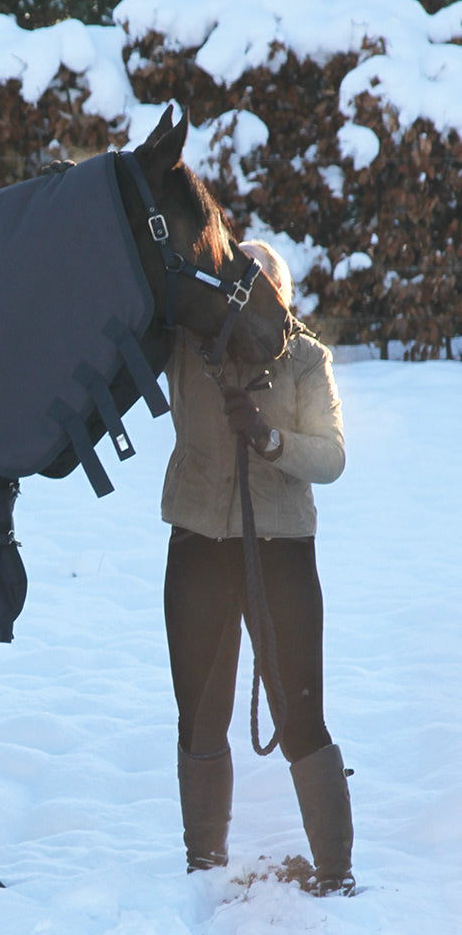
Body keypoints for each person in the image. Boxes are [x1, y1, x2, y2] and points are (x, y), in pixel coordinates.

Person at [160, 239, 354, 896]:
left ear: (281, 296)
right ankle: (203, 869)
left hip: (281, 550)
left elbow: (330, 457)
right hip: (199, 543)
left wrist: (272, 441)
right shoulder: (186, 345)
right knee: (200, 713)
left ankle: (335, 872)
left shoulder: (306, 359)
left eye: (260, 289)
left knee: (301, 715)